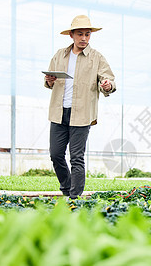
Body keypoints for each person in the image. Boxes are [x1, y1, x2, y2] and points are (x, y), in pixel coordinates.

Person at [44, 15, 116, 199]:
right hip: (59, 112)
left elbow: (109, 80)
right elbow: (49, 81)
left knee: (76, 157)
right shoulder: (60, 55)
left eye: (87, 34)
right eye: (80, 34)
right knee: (56, 154)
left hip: (82, 114)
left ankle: (74, 198)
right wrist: (49, 80)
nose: (84, 38)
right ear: (72, 35)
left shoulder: (97, 58)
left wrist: (107, 85)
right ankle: (67, 188)